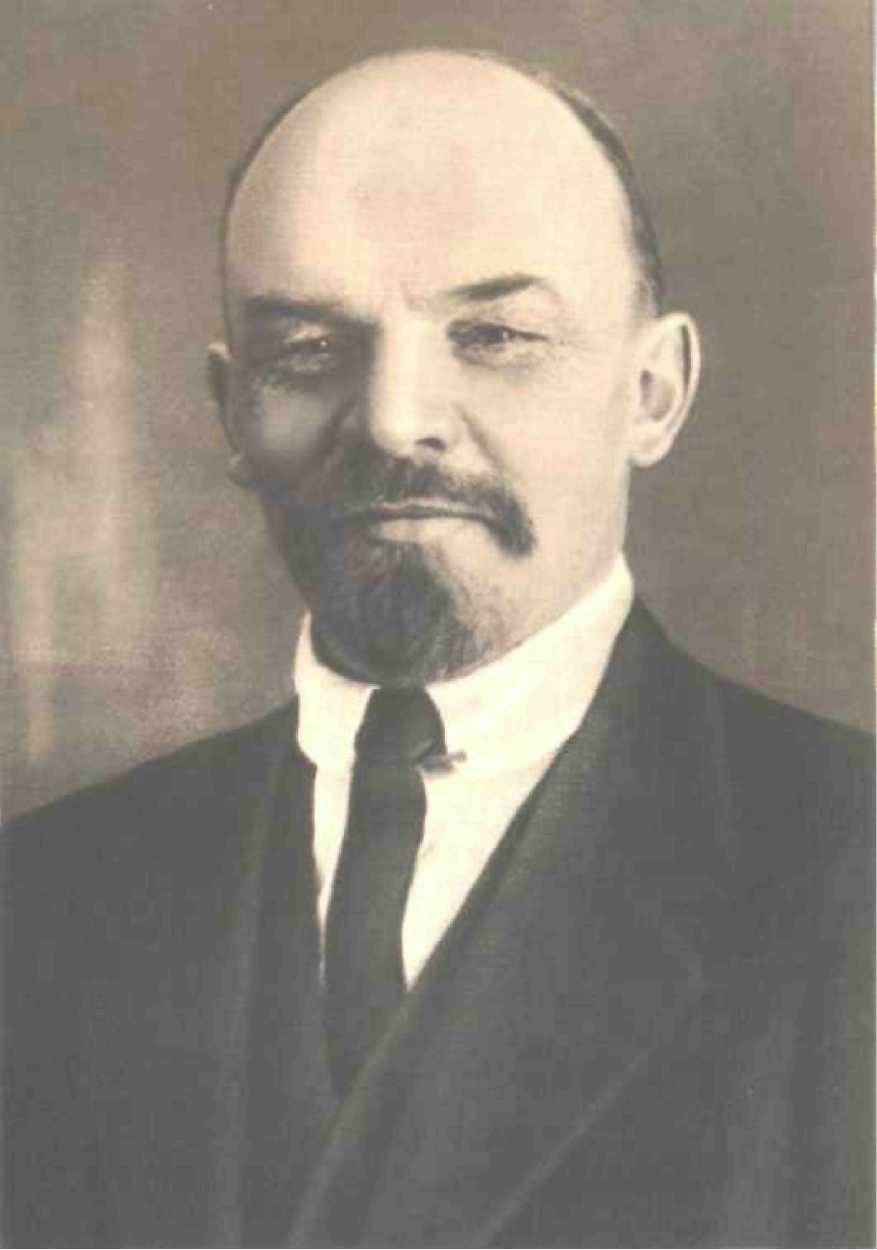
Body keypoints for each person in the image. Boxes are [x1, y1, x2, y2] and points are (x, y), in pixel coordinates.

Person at [2, 48, 872, 1248]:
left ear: (653, 392)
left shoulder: (846, 864)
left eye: (496, 333)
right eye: (309, 348)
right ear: (231, 410)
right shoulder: (43, 899)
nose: (394, 416)